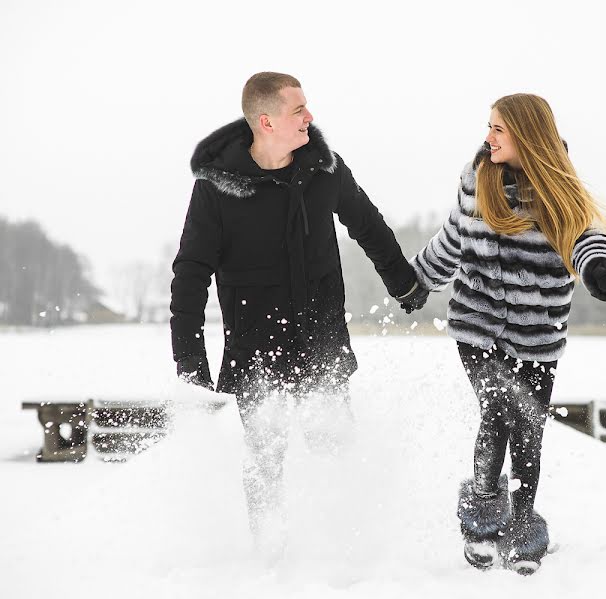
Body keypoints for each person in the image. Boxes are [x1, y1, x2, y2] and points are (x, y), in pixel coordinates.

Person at [170, 72, 424, 549]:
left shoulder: (324, 169)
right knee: (266, 456)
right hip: (255, 345)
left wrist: (403, 282)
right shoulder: (217, 189)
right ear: (266, 122)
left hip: (321, 337)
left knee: (334, 445)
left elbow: (366, 225)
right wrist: (189, 355)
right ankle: (270, 555)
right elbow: (191, 273)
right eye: (298, 110)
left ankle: (343, 548)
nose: (310, 117)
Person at [405, 93, 606, 575]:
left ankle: (522, 525)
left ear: (526, 136)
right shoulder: (476, 182)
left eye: (498, 130)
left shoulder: (558, 188)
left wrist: (599, 268)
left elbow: (585, 235)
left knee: (528, 427)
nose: (488, 137)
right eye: (488, 126)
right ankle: (481, 523)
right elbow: (453, 239)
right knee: (499, 409)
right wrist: (417, 280)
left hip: (538, 332)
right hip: (478, 325)